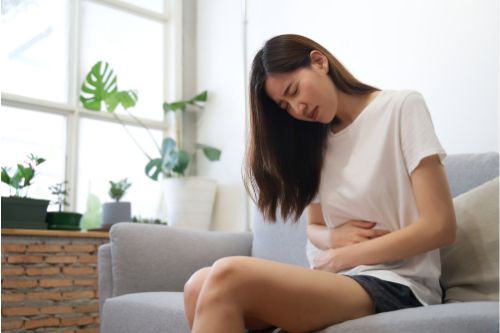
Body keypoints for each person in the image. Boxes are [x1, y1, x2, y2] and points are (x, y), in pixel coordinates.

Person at [183, 34, 457, 333]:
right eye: (285, 106)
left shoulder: (401, 107)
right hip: (338, 279)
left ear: (319, 61)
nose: (297, 109)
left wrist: (344, 256)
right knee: (197, 284)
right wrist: (333, 239)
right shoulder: (315, 142)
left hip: (398, 283)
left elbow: (440, 226)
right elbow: (314, 228)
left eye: (294, 90)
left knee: (228, 273)